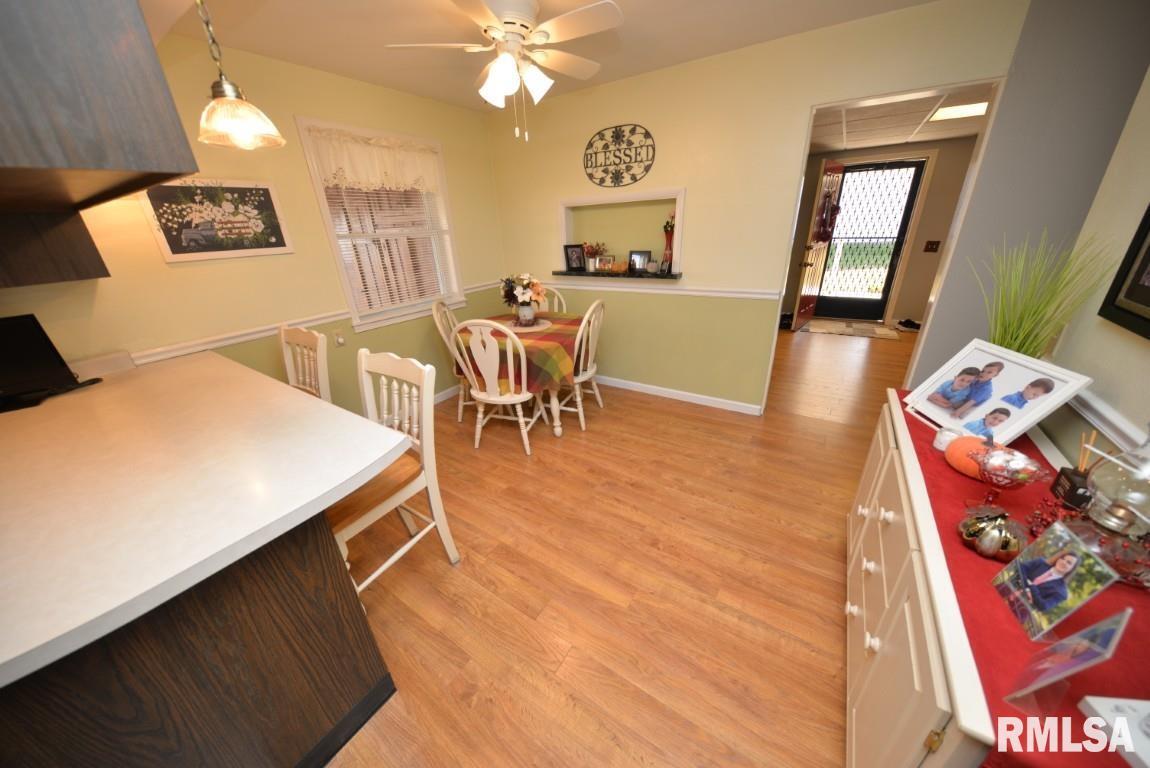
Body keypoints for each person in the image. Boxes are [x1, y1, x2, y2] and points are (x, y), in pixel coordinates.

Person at [1016, 549, 1081, 612]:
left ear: (1072, 569)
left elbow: (1043, 606)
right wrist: (1027, 589)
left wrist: (1032, 587)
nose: (1063, 562)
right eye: (1063, 558)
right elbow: (1021, 567)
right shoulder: (1040, 562)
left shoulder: (1061, 592)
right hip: (1008, 589)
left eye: (1069, 563)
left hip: (1019, 610)